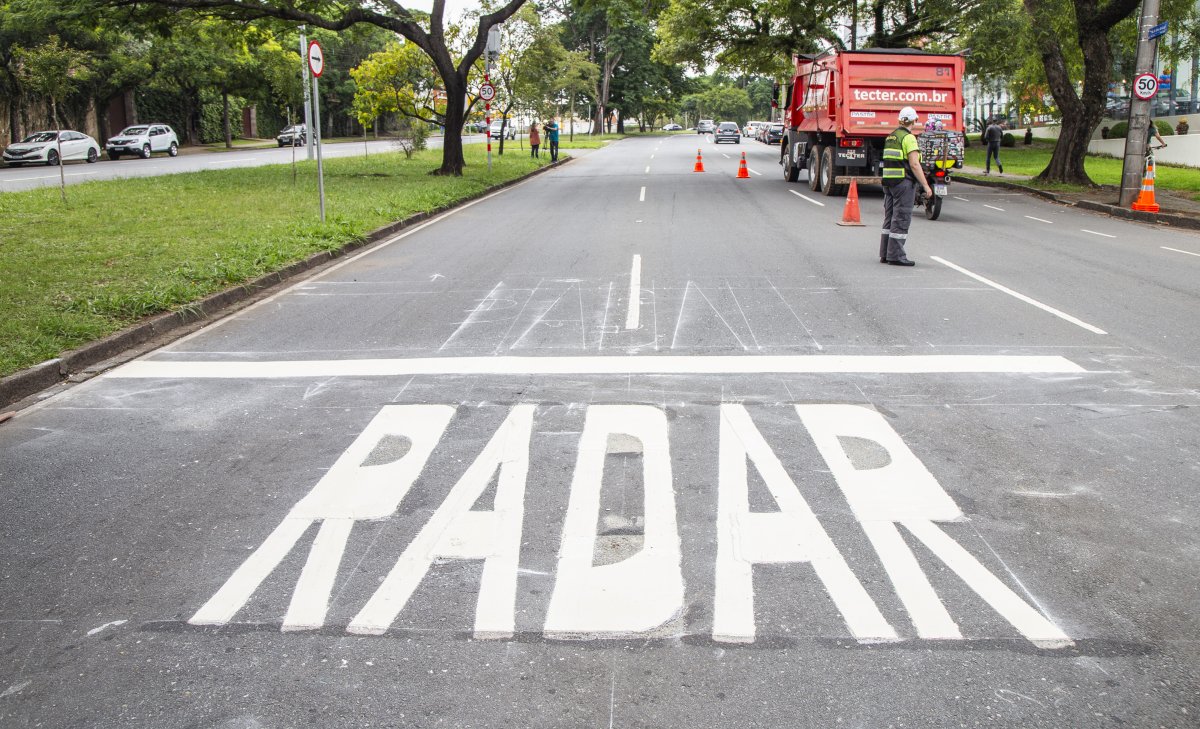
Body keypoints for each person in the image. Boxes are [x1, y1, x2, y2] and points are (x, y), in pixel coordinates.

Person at [879, 106, 933, 267]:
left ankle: (885, 253)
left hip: (888, 183)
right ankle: (896, 256)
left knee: (889, 218)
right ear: (914, 120)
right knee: (901, 218)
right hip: (903, 183)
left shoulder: (891, 137)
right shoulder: (908, 138)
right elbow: (914, 164)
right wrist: (926, 186)